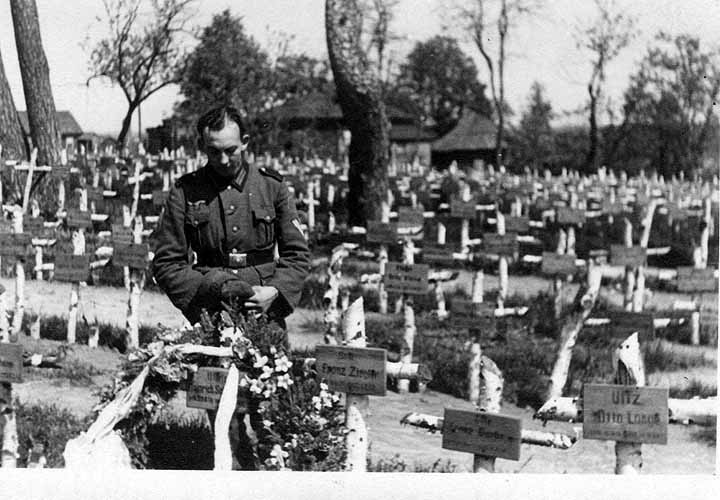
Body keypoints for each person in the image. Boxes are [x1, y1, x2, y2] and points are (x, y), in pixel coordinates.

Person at [151, 105, 310, 469]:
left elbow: (298, 255)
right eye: (213, 151)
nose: (223, 159)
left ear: (246, 143)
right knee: (224, 416)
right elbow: (168, 263)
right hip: (212, 316)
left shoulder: (273, 187)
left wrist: (277, 292)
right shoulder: (186, 192)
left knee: (272, 411)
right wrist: (212, 289)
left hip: (264, 314)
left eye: (231, 150)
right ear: (202, 147)